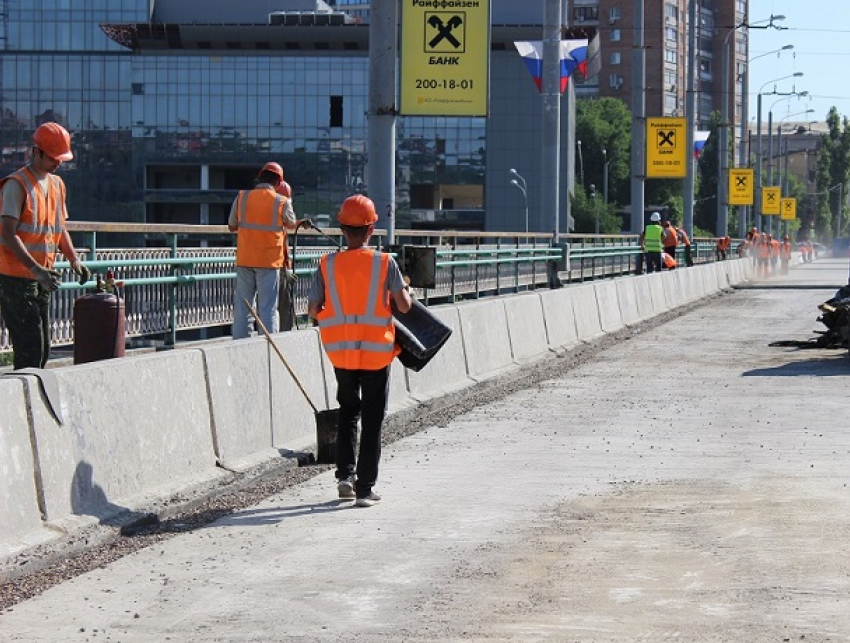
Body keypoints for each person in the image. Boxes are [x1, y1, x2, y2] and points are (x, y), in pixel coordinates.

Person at [307, 195, 412, 508]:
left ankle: (344, 477)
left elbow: (313, 309)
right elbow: (404, 307)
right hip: (377, 353)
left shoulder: (327, 264)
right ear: (371, 228)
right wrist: (404, 291)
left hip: (341, 353)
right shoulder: (384, 263)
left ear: (342, 228)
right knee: (373, 418)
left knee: (348, 411)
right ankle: (364, 489)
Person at [0, 122, 91, 370]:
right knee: (30, 349)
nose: (58, 163)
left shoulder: (57, 185)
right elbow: (7, 233)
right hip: (16, 279)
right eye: (53, 158)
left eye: (61, 158)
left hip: (42, 278)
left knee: (42, 351)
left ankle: (29, 399)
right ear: (36, 151)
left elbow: (59, 229)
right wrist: (35, 269)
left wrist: (74, 260)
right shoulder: (16, 185)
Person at [229, 162, 307, 339]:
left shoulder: (242, 197)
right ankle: (268, 347)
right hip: (269, 262)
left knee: (243, 308)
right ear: (279, 183)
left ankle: (241, 346)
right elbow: (290, 223)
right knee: (268, 309)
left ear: (259, 176)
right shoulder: (282, 201)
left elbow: (232, 226)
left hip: (245, 259)